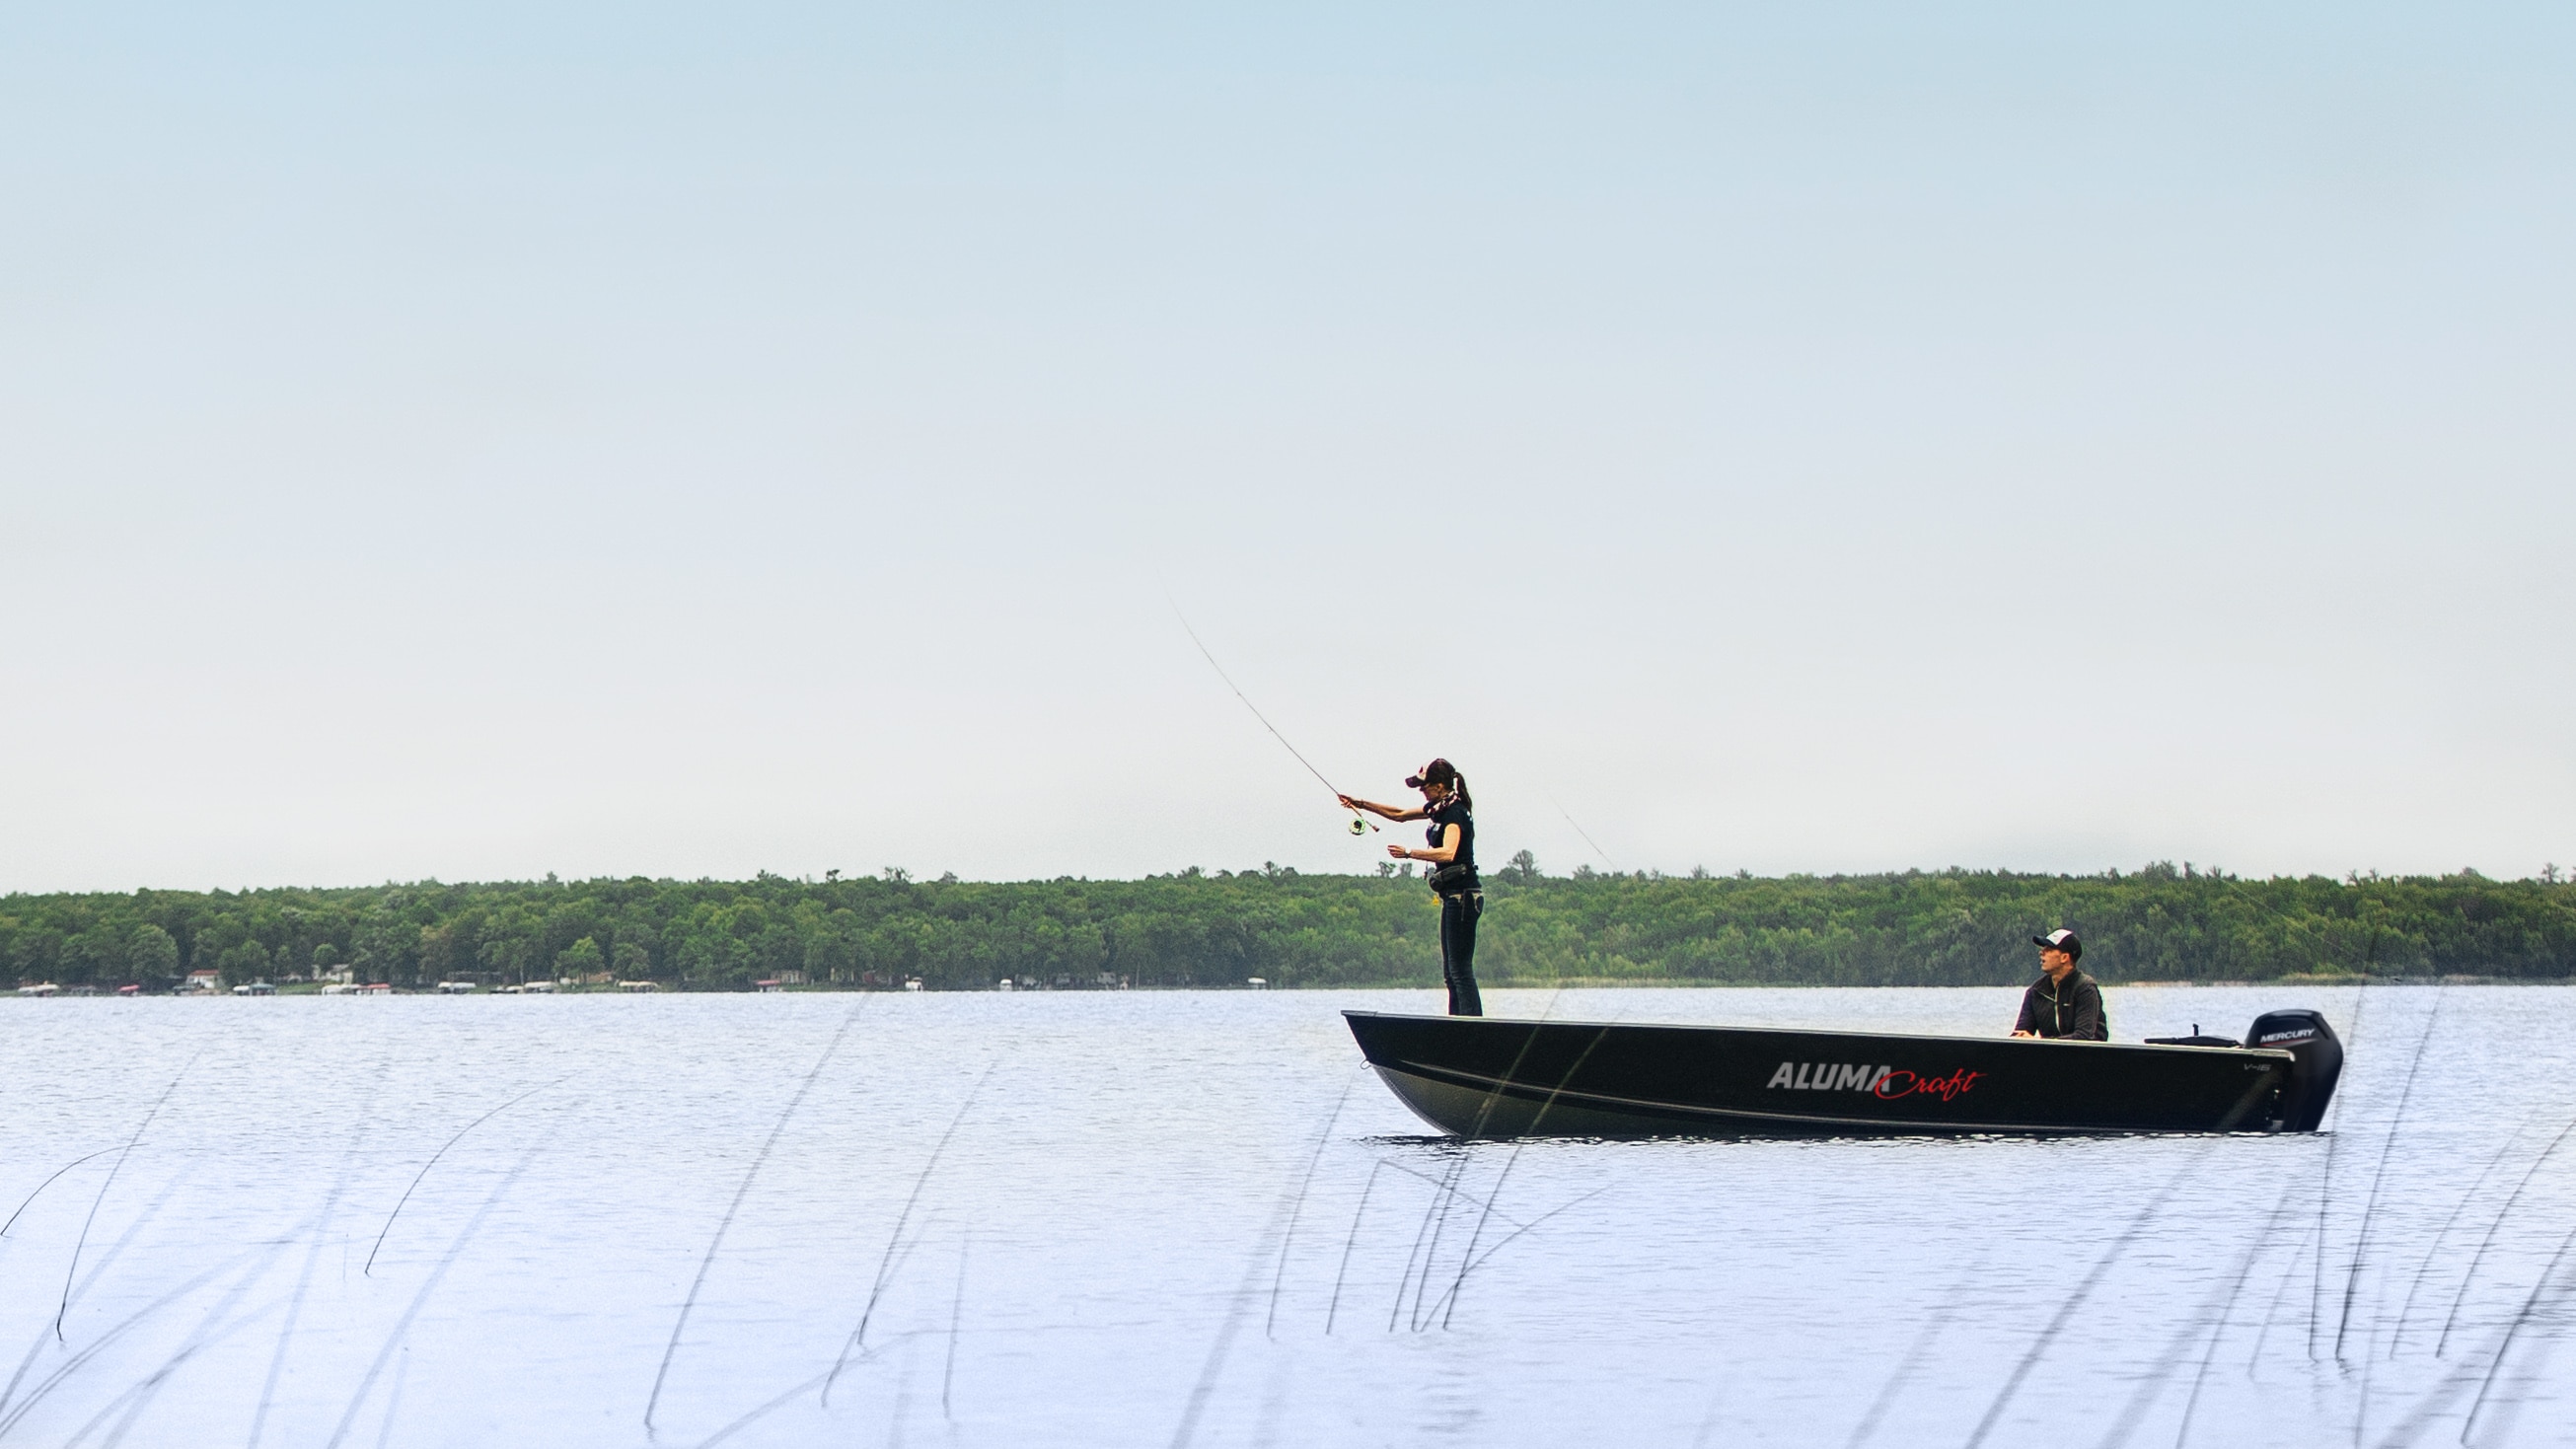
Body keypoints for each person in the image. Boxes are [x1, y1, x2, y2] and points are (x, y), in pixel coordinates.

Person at [1340, 760, 1482, 1016]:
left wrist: (1409, 853)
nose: (1422, 792)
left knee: (1460, 970)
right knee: (1450, 973)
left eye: (1424, 787)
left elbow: (1448, 853)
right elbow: (1399, 815)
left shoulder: (1455, 813)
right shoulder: (1439, 809)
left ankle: (1472, 1027)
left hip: (1464, 897)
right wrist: (1360, 804)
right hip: (1452, 897)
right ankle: (1457, 1025)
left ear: (1440, 786)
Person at [2012, 928, 2107, 1041]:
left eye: (2049, 949)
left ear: (2064, 958)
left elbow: (2083, 1036)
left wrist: (2040, 1042)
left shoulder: (2085, 989)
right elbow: (2020, 1034)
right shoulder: (2036, 991)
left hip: (2087, 1056)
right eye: (2043, 948)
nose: (2041, 952)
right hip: (2050, 1055)